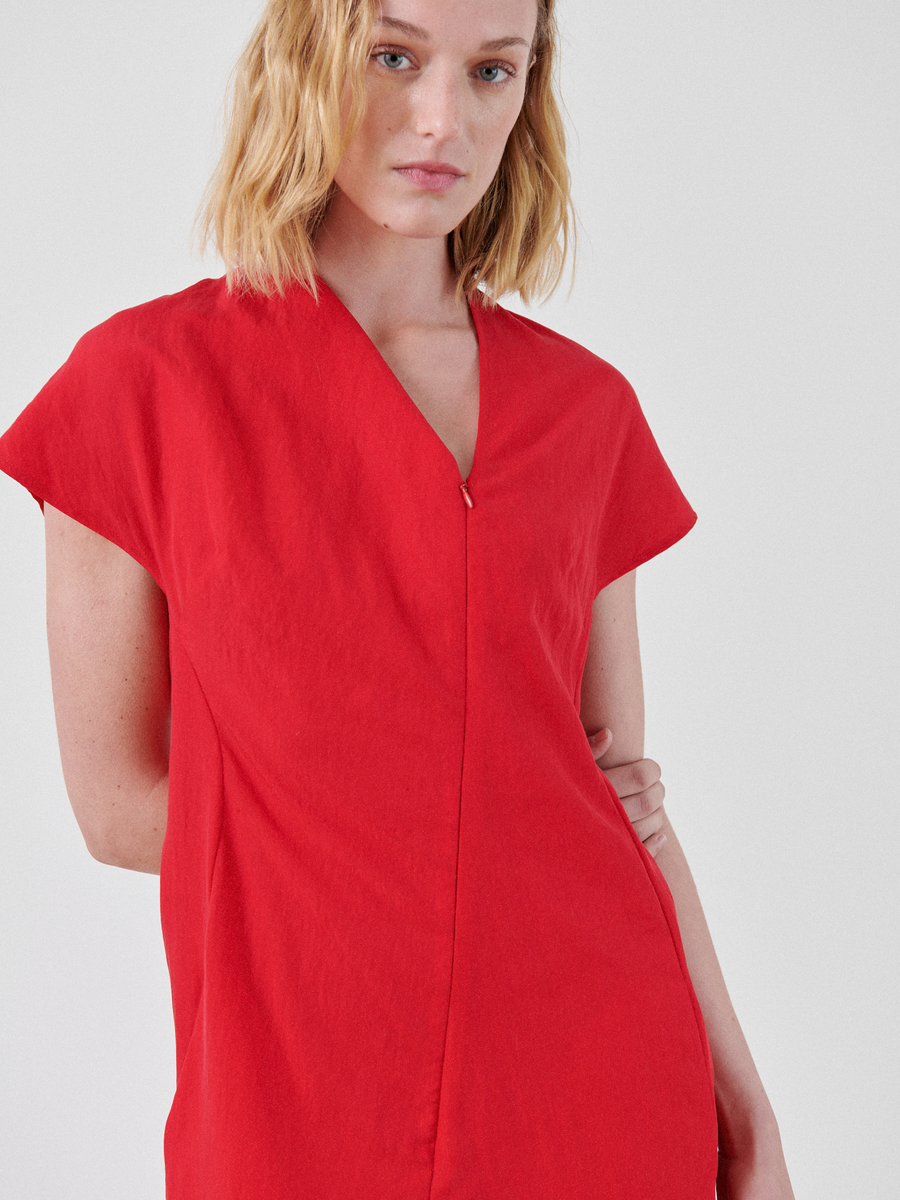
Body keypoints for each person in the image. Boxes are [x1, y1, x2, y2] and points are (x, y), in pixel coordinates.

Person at [0, 0, 795, 1196]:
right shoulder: (144, 389)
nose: (444, 120)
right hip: (299, 1086)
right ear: (306, 58)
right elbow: (118, 808)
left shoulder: (587, 413)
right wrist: (437, 827)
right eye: (394, 56)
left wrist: (746, 1106)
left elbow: (622, 797)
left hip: (600, 1073)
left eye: (492, 71)